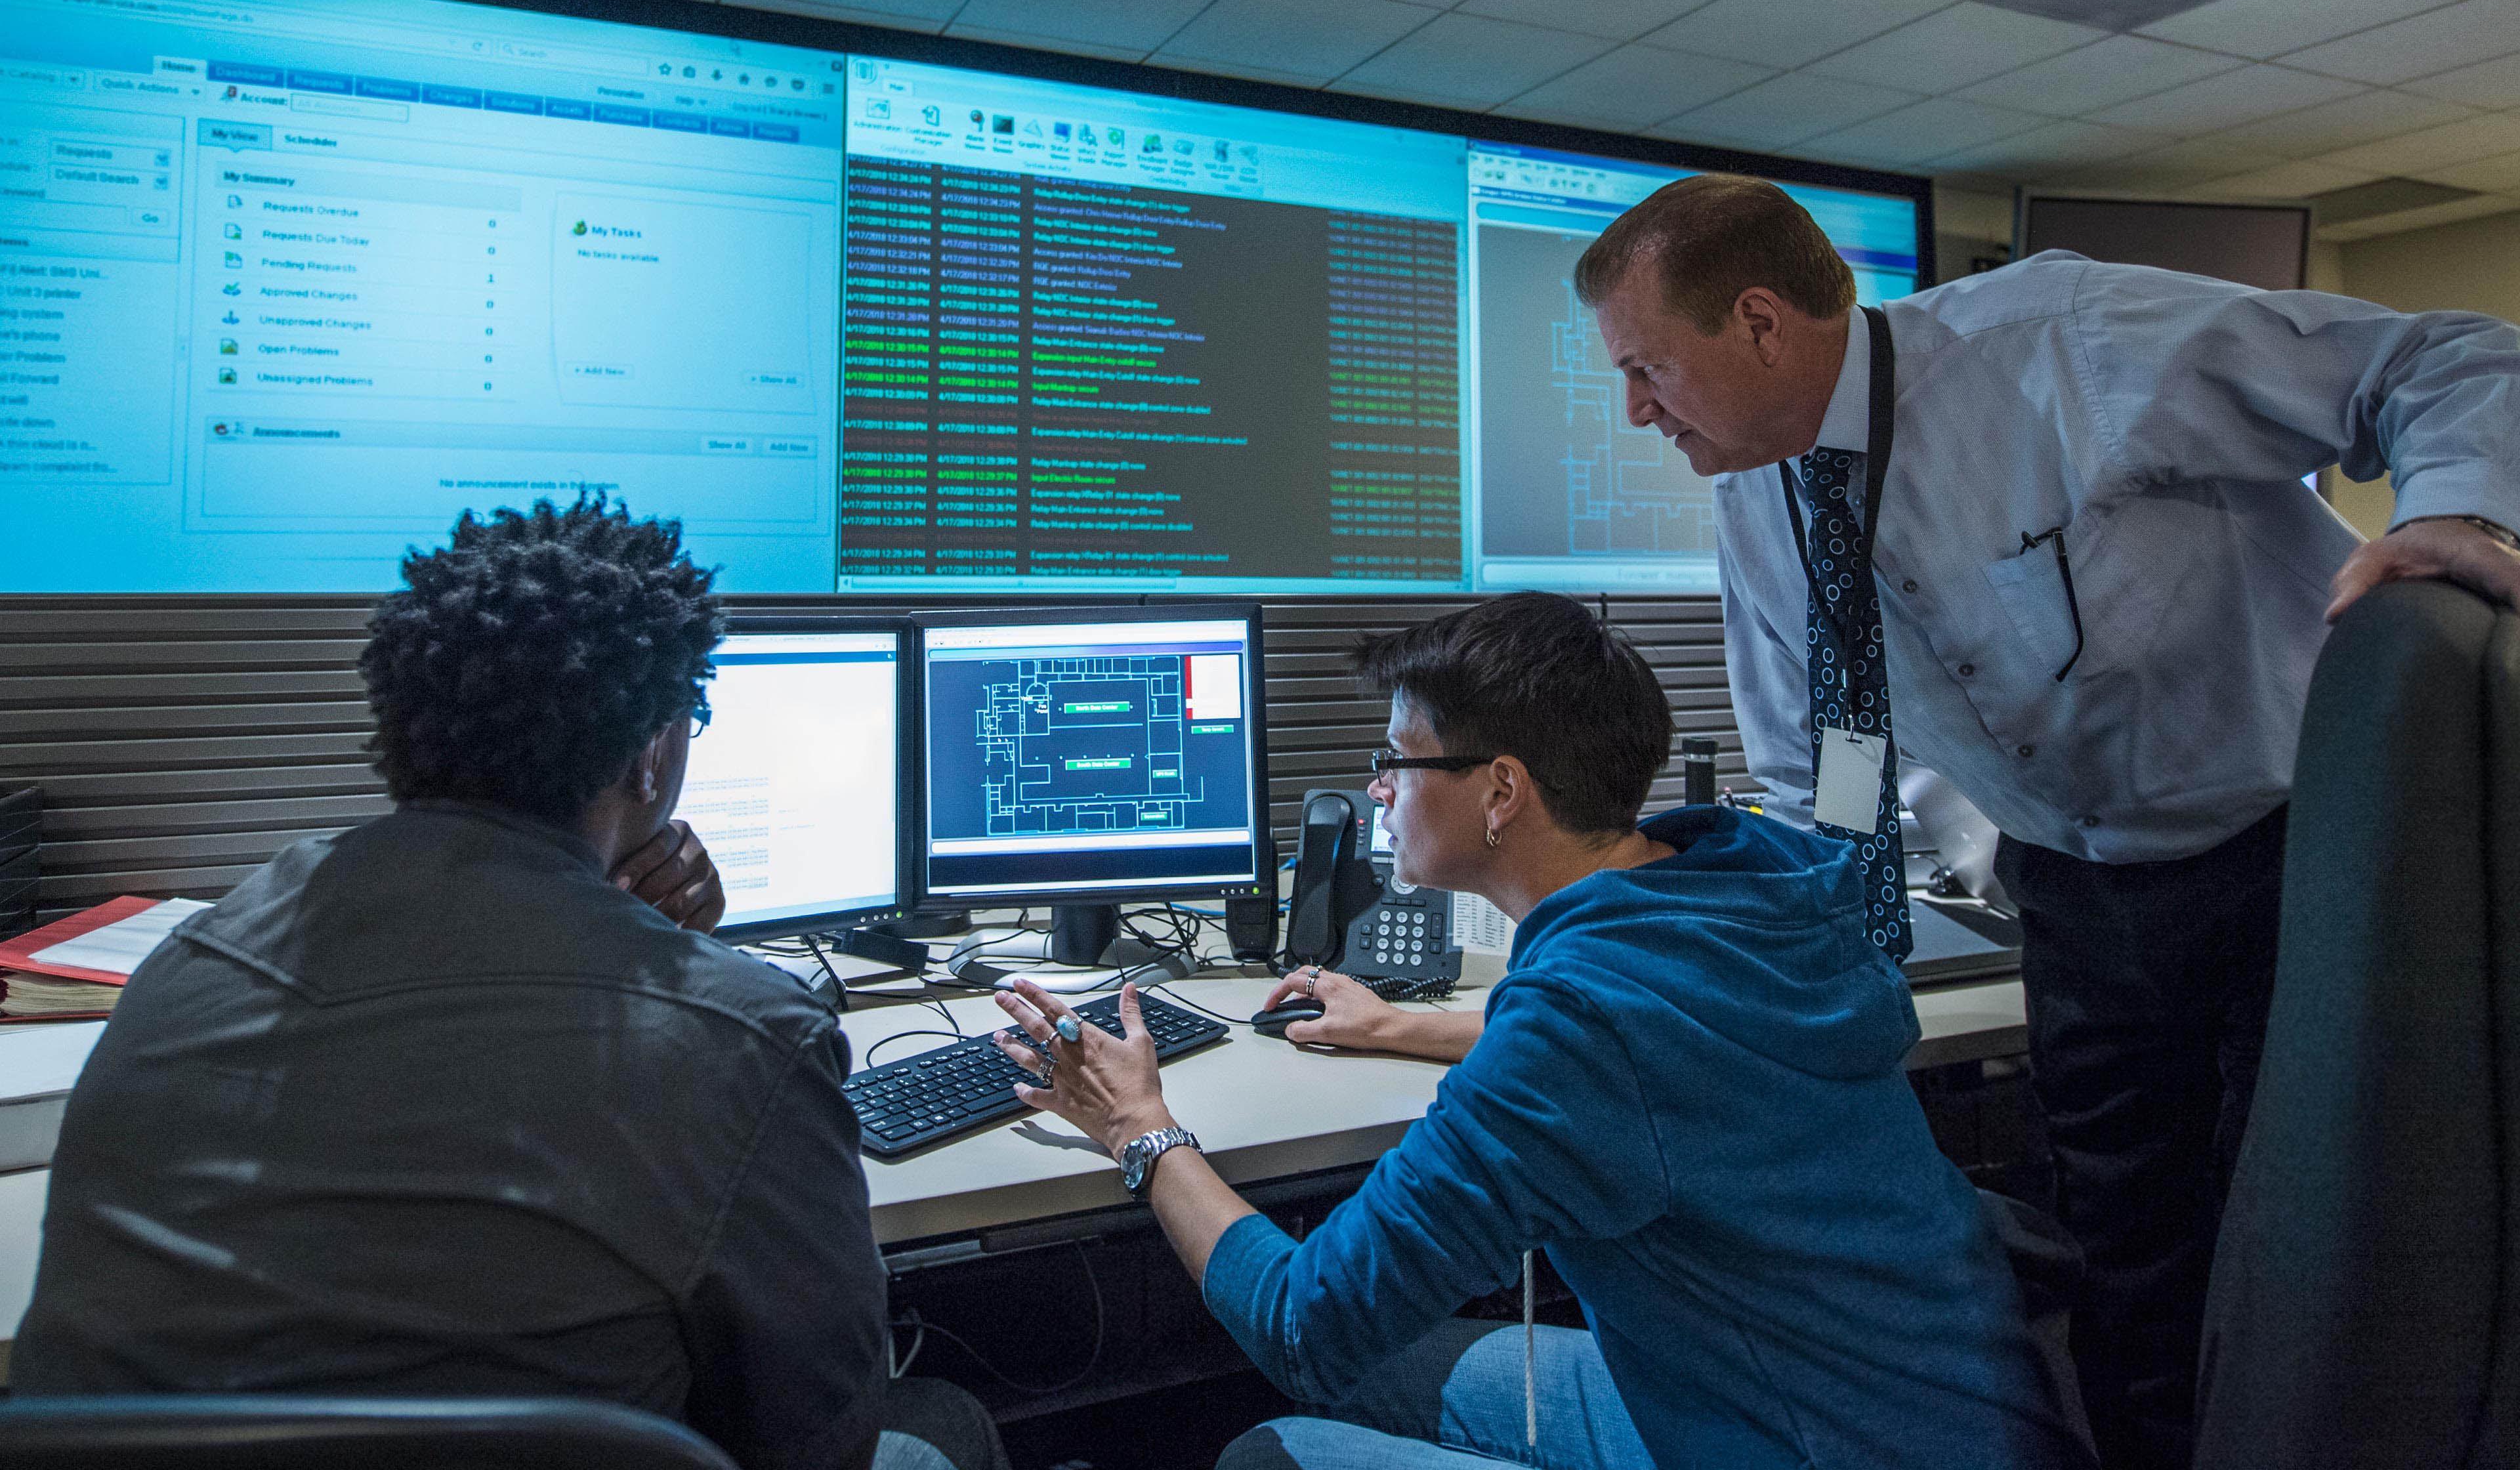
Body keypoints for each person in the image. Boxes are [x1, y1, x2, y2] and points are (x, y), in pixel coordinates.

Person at [1572, 174, 2520, 1470]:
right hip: (2075, 896)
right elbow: (1824, 757)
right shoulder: (1760, 490)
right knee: (2126, 1264)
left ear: (1758, 322)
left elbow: (2444, 357)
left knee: (2297, 1260)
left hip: (2287, 863)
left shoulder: (2061, 339)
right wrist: (1770, 947)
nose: (1633, 412)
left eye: (1646, 369)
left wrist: (2453, 515)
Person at [988, 591, 2090, 1470]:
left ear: (1501, 791)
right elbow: (1671, 1063)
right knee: (1400, 1364)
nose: (1376, 790)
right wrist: (1409, 1030)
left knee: (1269, 1440)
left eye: (1397, 761)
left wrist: (1138, 1127)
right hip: (1939, 1404)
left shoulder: (1584, 1026)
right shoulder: (1755, 889)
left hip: (1796, 1441)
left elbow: (1305, 1327)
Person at [12, 498, 1004, 1470]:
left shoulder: (188, 963)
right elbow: (819, 1437)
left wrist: (638, 941)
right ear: (654, 753)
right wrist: (677, 978)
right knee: (937, 1428)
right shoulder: (747, 1038)